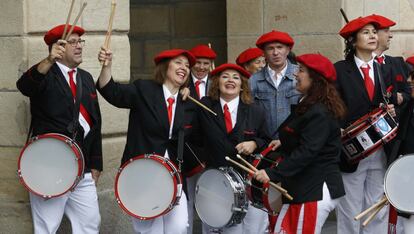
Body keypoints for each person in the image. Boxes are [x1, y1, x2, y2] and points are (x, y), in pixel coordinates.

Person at [97, 47, 197, 234]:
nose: (184, 67)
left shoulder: (189, 102)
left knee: (180, 226)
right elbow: (111, 91)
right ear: (165, 67)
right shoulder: (145, 89)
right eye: (178, 62)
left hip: (174, 174)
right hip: (142, 172)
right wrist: (107, 66)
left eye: (187, 65)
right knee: (151, 230)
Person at [16, 24, 103, 234]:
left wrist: (96, 162)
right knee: (47, 227)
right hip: (49, 166)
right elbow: (24, 86)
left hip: (82, 168)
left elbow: (95, 123)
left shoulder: (86, 78)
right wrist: (48, 60)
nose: (79, 46)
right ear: (58, 48)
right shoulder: (45, 73)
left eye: (80, 41)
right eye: (72, 42)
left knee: (90, 222)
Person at [254, 53, 346, 234]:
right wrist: (284, 141)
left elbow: (308, 151)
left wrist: (272, 173)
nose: (296, 74)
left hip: (315, 188)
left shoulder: (319, 111)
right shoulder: (309, 105)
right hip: (302, 187)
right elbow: (304, 137)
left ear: (316, 80)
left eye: (301, 71)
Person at [334, 16, 399, 234]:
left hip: (381, 147)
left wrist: (391, 110)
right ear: (352, 40)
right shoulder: (340, 70)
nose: (372, 36)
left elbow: (391, 99)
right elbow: (333, 106)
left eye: (374, 32)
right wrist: (341, 126)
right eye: (366, 32)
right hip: (351, 148)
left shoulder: (384, 68)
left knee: (377, 208)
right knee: (349, 207)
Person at [194, 63, 271, 234]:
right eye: (225, 76)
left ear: (242, 85)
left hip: (246, 181)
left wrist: (254, 143)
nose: (230, 80)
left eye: (235, 77)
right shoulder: (204, 106)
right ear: (217, 82)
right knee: (212, 227)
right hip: (213, 180)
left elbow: (266, 139)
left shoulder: (255, 110)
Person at [185, 44, 216, 234]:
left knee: (209, 198)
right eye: (198, 63)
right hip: (188, 149)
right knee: (188, 197)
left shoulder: (217, 83)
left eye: (206, 63)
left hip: (211, 148)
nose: (202, 67)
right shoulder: (181, 83)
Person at [249, 30, 301, 140]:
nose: (275, 52)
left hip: (296, 143)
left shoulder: (300, 75)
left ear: (288, 50)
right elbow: (249, 115)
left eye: (279, 47)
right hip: (265, 144)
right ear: (263, 53)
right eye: (270, 48)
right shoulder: (254, 80)